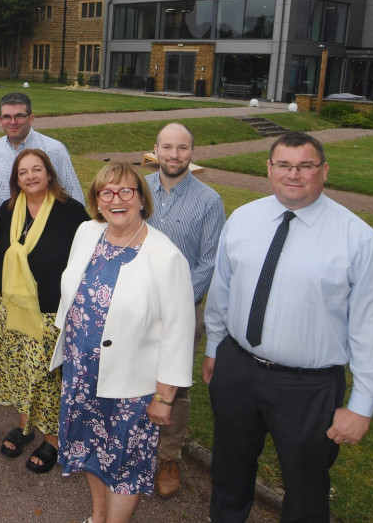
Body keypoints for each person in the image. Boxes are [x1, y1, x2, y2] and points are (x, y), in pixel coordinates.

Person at [203, 132, 373, 522]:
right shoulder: (244, 219)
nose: (293, 174)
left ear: (323, 171)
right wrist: (214, 349)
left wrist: (362, 405)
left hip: (307, 387)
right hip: (237, 370)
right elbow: (222, 290)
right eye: (284, 165)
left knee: (306, 485)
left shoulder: (357, 239)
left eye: (305, 166)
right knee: (229, 469)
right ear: (269, 169)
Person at [52, 161, 195, 523]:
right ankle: (98, 516)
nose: (117, 199)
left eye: (126, 191)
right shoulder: (87, 232)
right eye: (107, 192)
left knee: (124, 466)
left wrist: (164, 397)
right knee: (89, 450)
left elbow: (179, 332)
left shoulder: (165, 257)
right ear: (97, 201)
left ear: (142, 200)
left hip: (132, 387)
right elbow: (73, 291)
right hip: (82, 373)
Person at [0, 149, 89, 473]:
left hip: (49, 313)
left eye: (36, 169)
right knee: (21, 372)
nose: (30, 176)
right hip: (12, 309)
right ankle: (26, 425)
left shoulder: (71, 213)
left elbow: (84, 261)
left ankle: (53, 439)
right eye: (23, 172)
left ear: (49, 174)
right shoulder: (8, 209)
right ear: (16, 179)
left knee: (48, 377)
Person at [143, 122, 225, 497]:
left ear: (193, 153)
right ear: (155, 150)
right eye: (168, 147)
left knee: (174, 383)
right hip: (135, 302)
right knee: (133, 373)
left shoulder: (209, 200)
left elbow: (209, 262)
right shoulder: (138, 188)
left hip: (183, 307)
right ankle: (133, 447)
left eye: (182, 149)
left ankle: (169, 456)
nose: (174, 155)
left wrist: (173, 302)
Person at [0, 92, 83, 255]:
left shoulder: (54, 149)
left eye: (19, 116)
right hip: (4, 237)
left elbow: (74, 196)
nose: (12, 122)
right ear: (0, 120)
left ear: (31, 118)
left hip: (46, 238)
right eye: (7, 117)